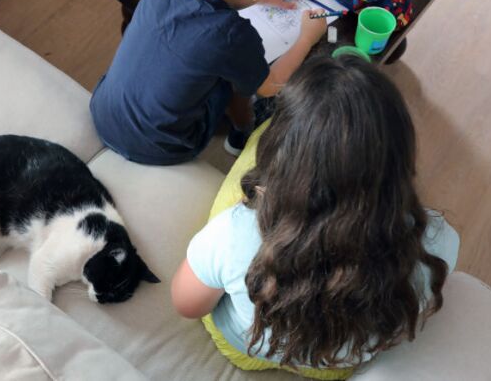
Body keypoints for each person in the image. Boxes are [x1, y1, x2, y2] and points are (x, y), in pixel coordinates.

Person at [171, 55, 459, 378]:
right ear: (400, 160)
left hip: (246, 347)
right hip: (333, 366)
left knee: (248, 164)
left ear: (284, 158)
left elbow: (187, 304)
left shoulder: (235, 233)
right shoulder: (437, 242)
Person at [90, 0, 326, 166]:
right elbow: (269, 86)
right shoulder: (231, 36)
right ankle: (241, 135)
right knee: (235, 79)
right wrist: (307, 37)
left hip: (103, 109)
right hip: (160, 147)